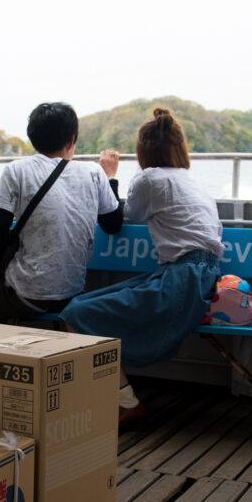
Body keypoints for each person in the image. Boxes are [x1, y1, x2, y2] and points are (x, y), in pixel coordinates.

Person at [60, 107, 224, 425]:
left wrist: (108, 177)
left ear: (143, 151)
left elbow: (128, 214)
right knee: (81, 310)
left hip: (180, 279)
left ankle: (126, 403)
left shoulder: (149, 179)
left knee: (76, 313)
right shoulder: (194, 182)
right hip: (202, 277)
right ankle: (118, 399)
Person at [0, 102, 123, 326]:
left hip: (27, 294)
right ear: (72, 140)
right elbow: (113, 224)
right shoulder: (94, 172)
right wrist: (110, 177)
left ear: (32, 137)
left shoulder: (17, 170)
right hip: (71, 292)